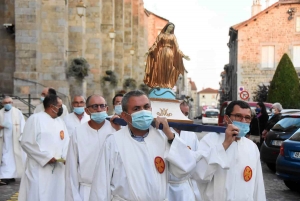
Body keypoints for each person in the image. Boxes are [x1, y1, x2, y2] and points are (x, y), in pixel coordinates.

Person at [89, 90, 196, 201]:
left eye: (146, 107)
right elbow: (100, 185)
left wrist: (169, 134)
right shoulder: (113, 142)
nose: (143, 112)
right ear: (125, 116)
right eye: (136, 109)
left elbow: (186, 167)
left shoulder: (163, 138)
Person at [192, 100, 266, 201]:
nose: (243, 121)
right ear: (227, 119)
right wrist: (224, 145)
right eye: (238, 116)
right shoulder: (210, 140)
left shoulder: (252, 147)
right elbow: (200, 175)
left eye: (247, 118)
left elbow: (258, 185)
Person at [65, 95, 120, 201]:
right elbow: (71, 169)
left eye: (102, 106)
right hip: (86, 191)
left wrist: (119, 130)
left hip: (112, 191)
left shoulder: (115, 130)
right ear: (87, 110)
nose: (99, 109)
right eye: (95, 106)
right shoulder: (78, 132)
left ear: (107, 109)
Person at [18, 94, 70, 201]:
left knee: (57, 194)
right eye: (60, 106)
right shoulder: (35, 119)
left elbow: (66, 142)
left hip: (58, 168)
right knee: (39, 194)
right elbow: (26, 142)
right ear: (52, 106)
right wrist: (46, 157)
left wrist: (65, 156)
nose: (62, 108)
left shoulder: (60, 122)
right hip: (39, 168)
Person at [167, 101, 201, 201]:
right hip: (166, 185)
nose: (183, 116)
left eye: (186, 114)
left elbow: (197, 158)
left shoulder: (191, 135)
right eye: (181, 112)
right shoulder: (163, 132)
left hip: (185, 185)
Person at [144, 22, 190, 88]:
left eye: (172, 27)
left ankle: (167, 83)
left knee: (169, 68)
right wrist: (149, 51)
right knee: (161, 68)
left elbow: (177, 48)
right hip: (162, 53)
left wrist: (184, 55)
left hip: (170, 54)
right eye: (170, 27)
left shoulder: (173, 36)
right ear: (167, 27)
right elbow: (156, 44)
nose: (170, 28)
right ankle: (160, 83)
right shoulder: (161, 35)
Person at [0, 96, 25, 185]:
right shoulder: (0, 113)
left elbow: (22, 124)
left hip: (15, 138)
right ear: (3, 104)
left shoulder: (17, 112)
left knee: (14, 158)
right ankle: (5, 177)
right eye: (6, 103)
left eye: (9, 102)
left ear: (12, 103)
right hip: (4, 140)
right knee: (6, 157)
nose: (8, 104)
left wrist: (22, 137)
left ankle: (10, 176)